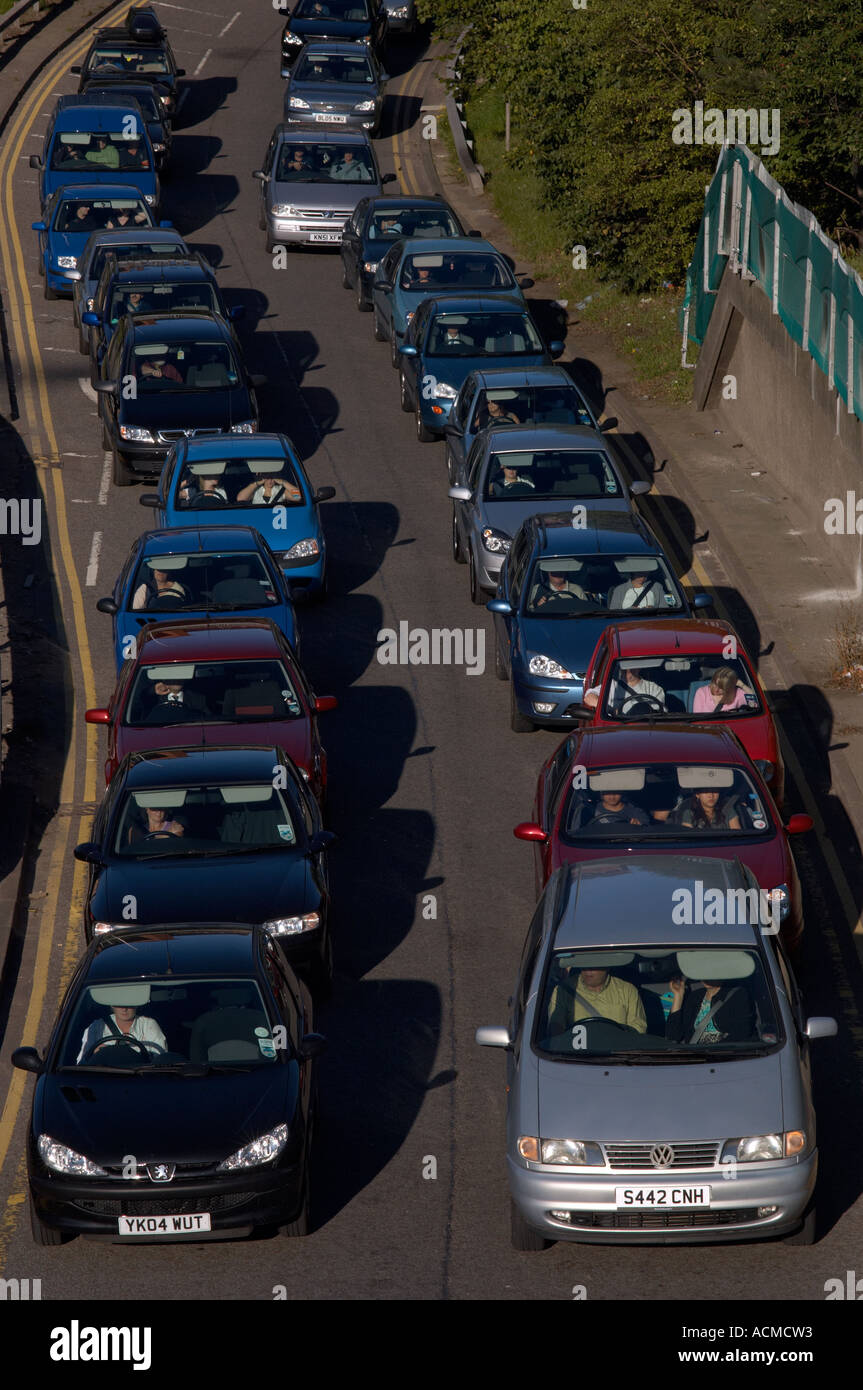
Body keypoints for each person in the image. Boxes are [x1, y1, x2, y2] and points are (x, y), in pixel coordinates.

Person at [547, 964, 647, 1035]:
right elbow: (556, 1030)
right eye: (584, 963)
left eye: (594, 964)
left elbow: (638, 1032)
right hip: (576, 1056)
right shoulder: (563, 991)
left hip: (618, 1056)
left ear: (607, 966)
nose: (588, 969)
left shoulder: (627, 991)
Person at [666, 975, 755, 1045]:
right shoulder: (694, 997)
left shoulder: (738, 995)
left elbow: (742, 1034)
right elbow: (673, 1036)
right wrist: (678, 995)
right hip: (696, 1058)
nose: (707, 976)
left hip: (725, 1057)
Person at [77, 997, 167, 1061]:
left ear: (137, 1005)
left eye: (129, 1003)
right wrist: (95, 1053)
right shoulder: (97, 1027)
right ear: (111, 1005)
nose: (124, 1008)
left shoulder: (148, 1025)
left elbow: (160, 1061)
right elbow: (82, 1062)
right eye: (118, 1003)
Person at [584, 664, 666, 713]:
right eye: (625, 667)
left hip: (644, 728)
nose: (628, 670)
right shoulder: (612, 685)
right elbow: (589, 697)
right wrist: (612, 711)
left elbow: (658, 714)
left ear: (639, 668)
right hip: (615, 726)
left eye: (631, 667)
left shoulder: (653, 688)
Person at [142, 676, 208, 723]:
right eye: (172, 675)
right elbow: (142, 698)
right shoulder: (154, 699)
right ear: (163, 680)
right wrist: (153, 689)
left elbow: (207, 719)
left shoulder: (198, 698)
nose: (176, 678)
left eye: (179, 675)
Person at [677, 788, 741, 831]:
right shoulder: (689, 814)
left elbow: (737, 837)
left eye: (715, 790)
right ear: (697, 794)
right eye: (706, 791)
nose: (711, 795)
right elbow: (689, 841)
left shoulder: (728, 810)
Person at [236, 472, 302, 505]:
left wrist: (283, 482)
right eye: (267, 476)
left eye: (272, 476)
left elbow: (298, 496)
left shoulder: (281, 490)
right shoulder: (255, 490)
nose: (270, 479)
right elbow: (240, 498)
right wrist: (256, 483)